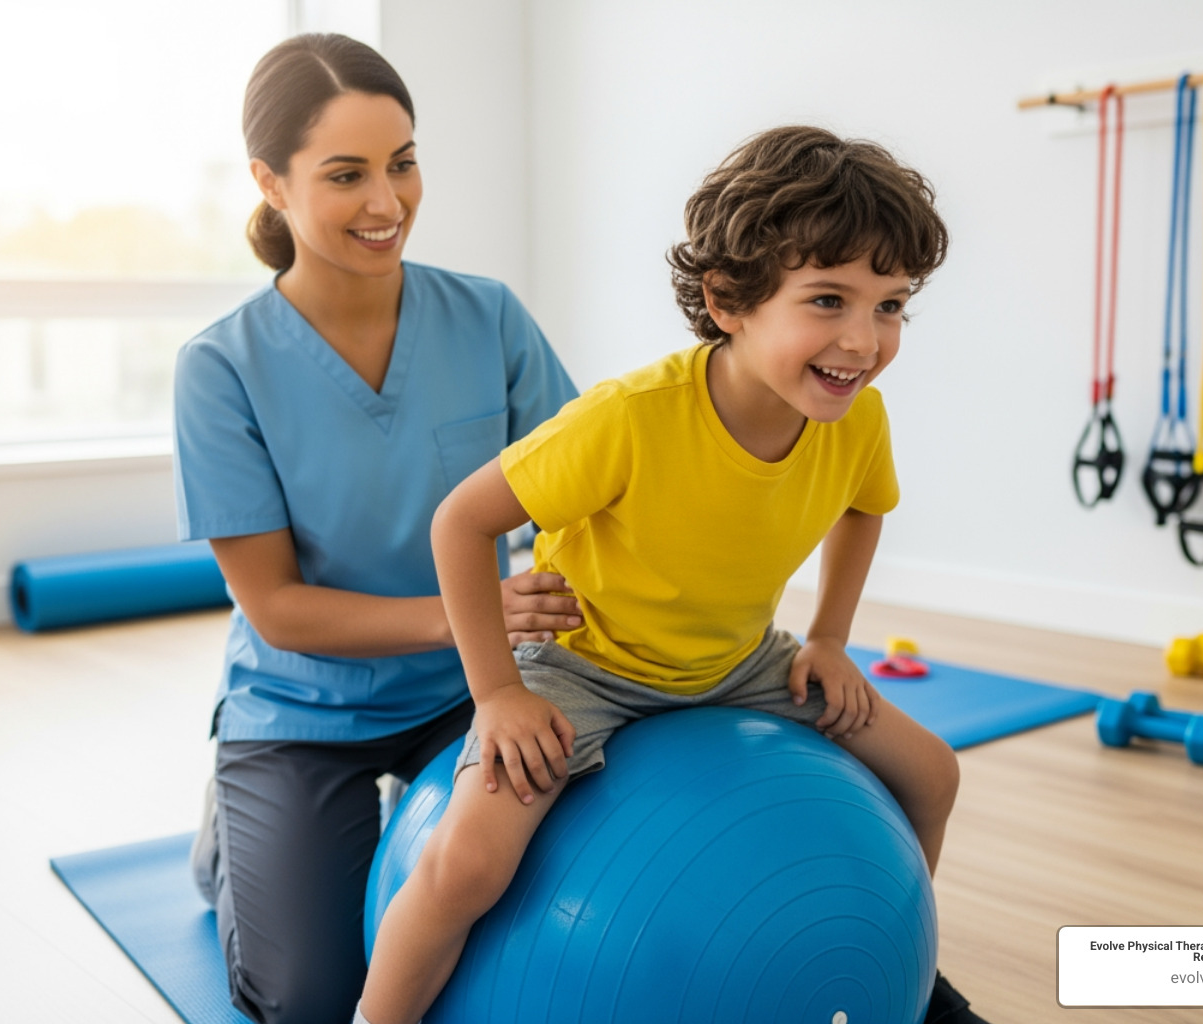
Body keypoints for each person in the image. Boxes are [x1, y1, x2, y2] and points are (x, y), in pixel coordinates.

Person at [356, 126, 991, 1024]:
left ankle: (894, 972)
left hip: (738, 663)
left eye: (890, 306)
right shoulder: (629, 419)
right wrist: (497, 692)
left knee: (933, 774)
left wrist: (830, 639)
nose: (863, 340)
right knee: (467, 864)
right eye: (828, 300)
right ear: (730, 300)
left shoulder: (858, 418)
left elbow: (864, 506)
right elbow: (462, 521)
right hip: (586, 668)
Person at [172, 33, 580, 1024]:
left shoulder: (488, 318)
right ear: (271, 181)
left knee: (543, 911)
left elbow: (583, 495)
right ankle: (230, 823)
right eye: (346, 174)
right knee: (311, 997)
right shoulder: (220, 368)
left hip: (475, 690)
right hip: (304, 711)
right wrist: (467, 612)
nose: (388, 202)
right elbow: (275, 607)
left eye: (403, 162)